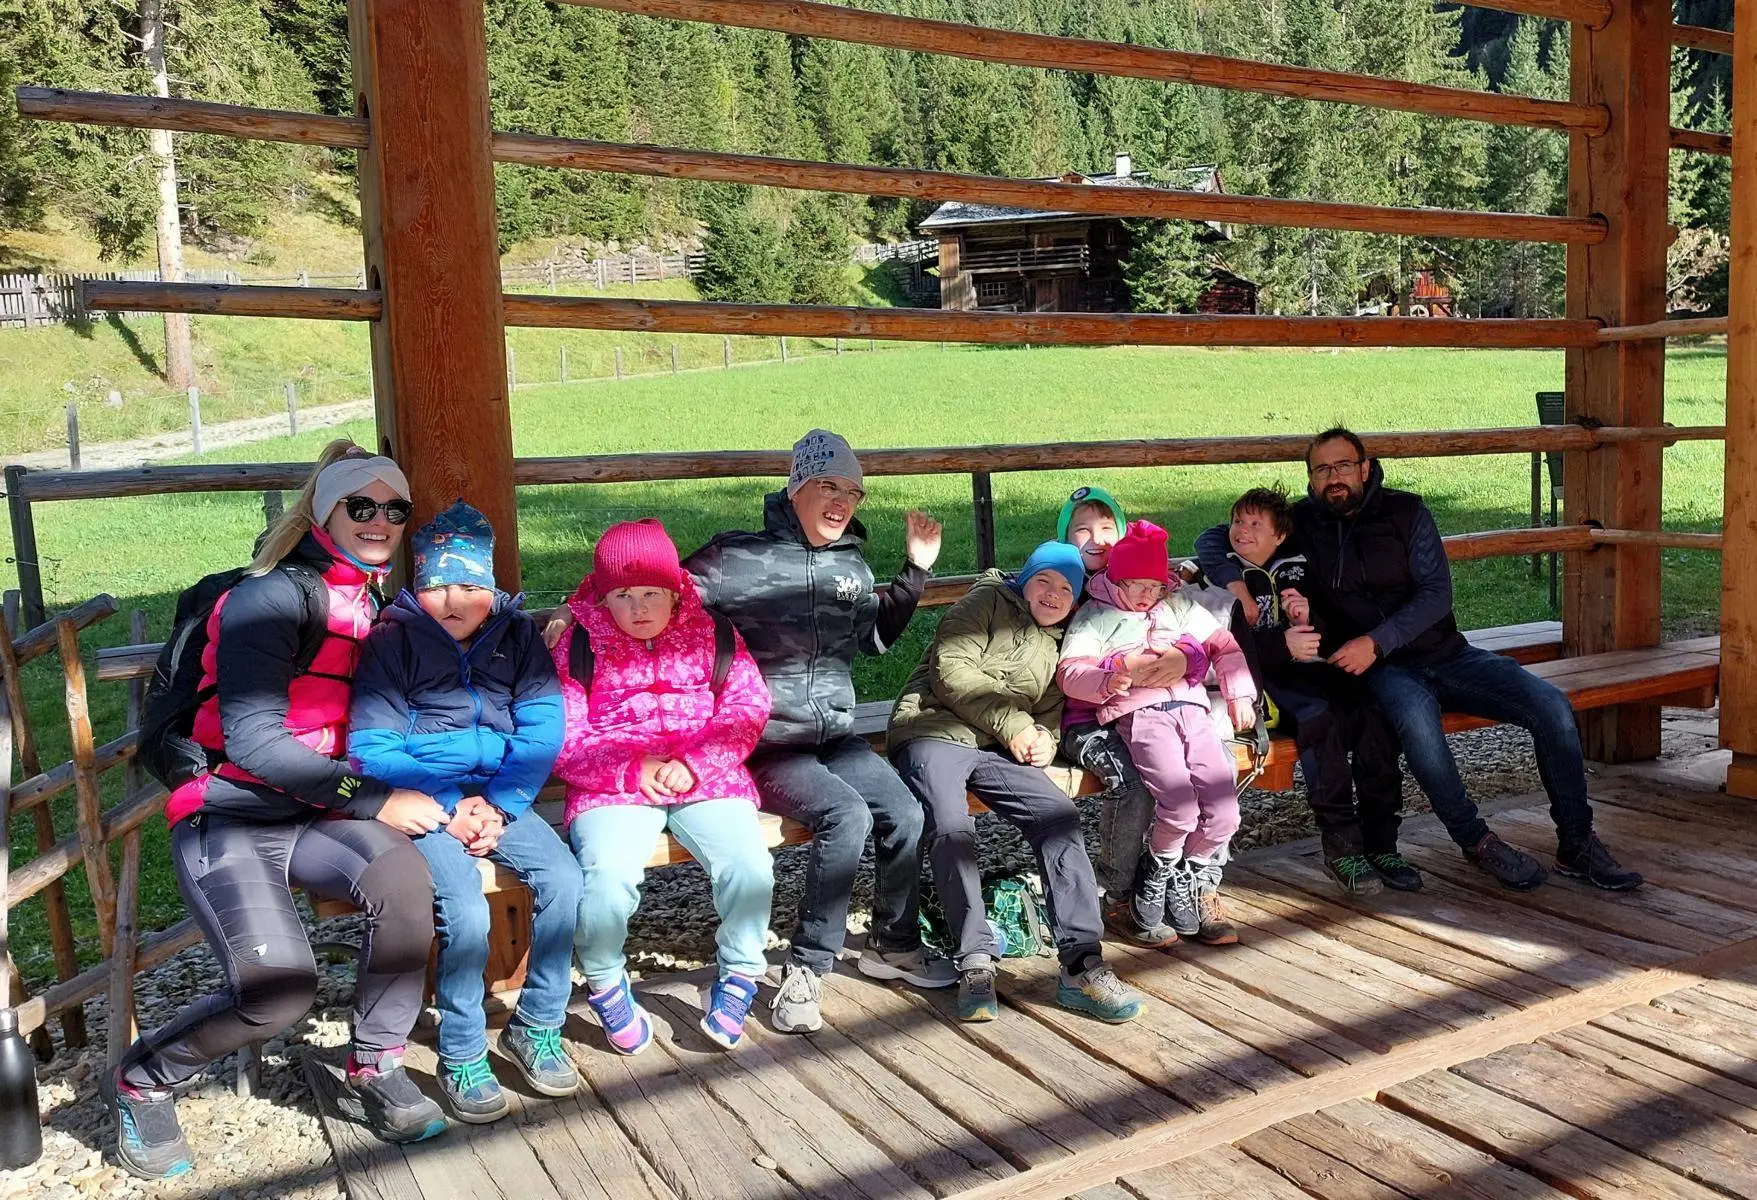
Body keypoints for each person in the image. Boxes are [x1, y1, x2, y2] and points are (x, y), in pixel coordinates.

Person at [109, 441, 448, 1181]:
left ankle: (374, 1063)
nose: (381, 519)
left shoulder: (369, 602)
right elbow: (256, 742)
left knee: (407, 889)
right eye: (362, 505)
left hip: (314, 814)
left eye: (396, 508)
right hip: (231, 809)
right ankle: (146, 1078)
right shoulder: (272, 597)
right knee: (280, 993)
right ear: (325, 511)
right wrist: (379, 799)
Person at [1255, 428, 1640, 891]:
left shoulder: (1407, 511)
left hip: (1446, 654)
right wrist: (1236, 585)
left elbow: (1437, 594)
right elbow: (1224, 537)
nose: (1332, 477)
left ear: (1364, 467)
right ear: (1311, 479)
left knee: (1551, 706)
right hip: (1382, 672)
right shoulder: (1301, 523)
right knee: (1419, 726)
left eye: (1342, 466)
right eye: (1321, 470)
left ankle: (1577, 844)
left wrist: (1376, 640)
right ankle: (1476, 841)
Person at [685, 429, 952, 1034]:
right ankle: (807, 967)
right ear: (796, 487)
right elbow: (650, 592)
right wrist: (578, 610)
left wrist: (915, 572)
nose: (841, 502)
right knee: (846, 816)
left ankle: (895, 943)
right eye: (828, 486)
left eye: (853, 493)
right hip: (767, 741)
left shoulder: (849, 563)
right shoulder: (734, 558)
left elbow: (875, 637)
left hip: (834, 734)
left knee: (905, 812)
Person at [348, 501, 579, 1123]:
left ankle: (537, 1022)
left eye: (472, 585)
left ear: (494, 586)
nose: (454, 600)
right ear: (416, 586)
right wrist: (448, 810)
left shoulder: (518, 637)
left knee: (564, 879)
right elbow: (373, 746)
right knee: (464, 910)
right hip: (426, 805)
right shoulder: (392, 645)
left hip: (501, 798)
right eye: (437, 586)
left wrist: (500, 806)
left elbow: (540, 729)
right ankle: (462, 1048)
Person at [889, 542, 1145, 1025]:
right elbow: (951, 671)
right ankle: (975, 962)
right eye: (1043, 581)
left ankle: (1082, 963)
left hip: (998, 749)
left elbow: (1047, 714)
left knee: (1059, 818)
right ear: (1023, 581)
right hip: (933, 730)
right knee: (949, 824)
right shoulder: (984, 602)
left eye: (1065, 589)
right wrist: (1015, 726)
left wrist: (1045, 740)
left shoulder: (1059, 642)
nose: (1052, 595)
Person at [554, 519, 776, 1052]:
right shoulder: (579, 641)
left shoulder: (712, 632)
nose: (639, 608)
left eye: (652, 593)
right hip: (614, 783)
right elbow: (564, 731)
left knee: (749, 863)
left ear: (674, 589)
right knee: (605, 875)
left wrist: (698, 762)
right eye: (623, 596)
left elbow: (747, 705)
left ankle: (742, 971)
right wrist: (632, 770)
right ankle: (607, 981)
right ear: (602, 597)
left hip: (706, 773)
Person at [1194, 487, 1412, 896]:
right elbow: (1216, 648)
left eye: (1256, 524)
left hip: (1312, 670)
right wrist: (1281, 645)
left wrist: (1308, 617)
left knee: (1372, 714)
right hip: (1262, 681)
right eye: (1239, 521)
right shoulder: (1217, 578)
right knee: (1319, 721)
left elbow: (1327, 628)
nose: (1242, 531)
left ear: (1280, 536)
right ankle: (1342, 843)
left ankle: (1383, 841)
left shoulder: (1296, 566)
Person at [1058, 520, 1257, 944]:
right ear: (1117, 579)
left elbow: (1223, 645)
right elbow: (1072, 671)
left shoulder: (1175, 605)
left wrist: (1240, 695)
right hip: (1140, 713)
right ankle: (1154, 871)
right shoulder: (1098, 614)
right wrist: (1109, 678)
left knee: (1224, 807)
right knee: (1178, 802)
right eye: (1137, 585)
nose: (1148, 595)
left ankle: (1190, 875)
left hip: (1193, 710)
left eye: (1156, 585)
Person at [1053, 486, 1178, 948]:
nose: (1097, 539)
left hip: (1144, 710)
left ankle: (1178, 882)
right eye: (1081, 529)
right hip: (1083, 720)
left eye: (1108, 529)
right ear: (1064, 538)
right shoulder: (1056, 584)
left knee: (1186, 768)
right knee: (1133, 783)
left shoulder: (1142, 588)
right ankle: (1118, 893)